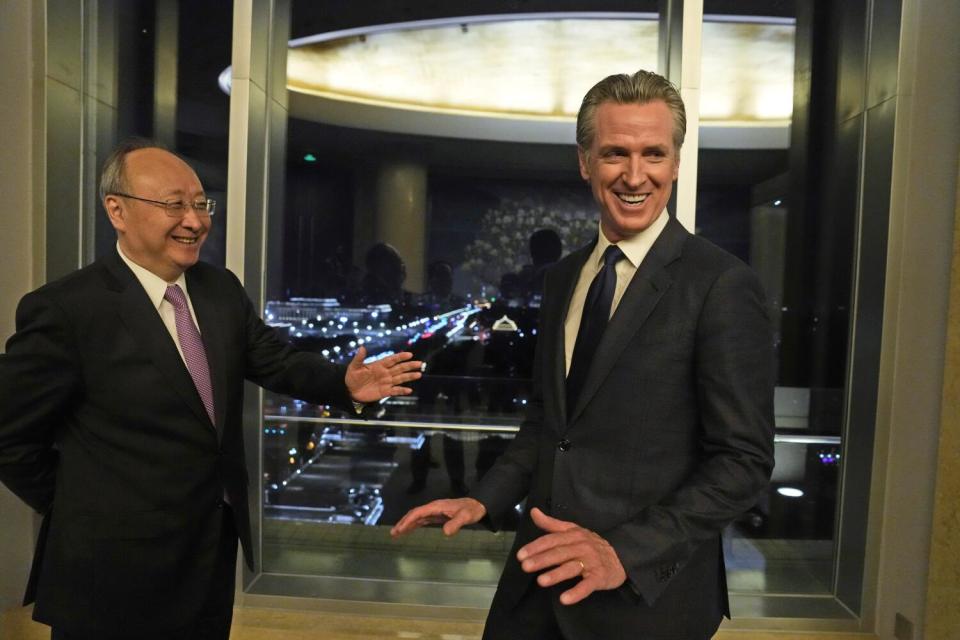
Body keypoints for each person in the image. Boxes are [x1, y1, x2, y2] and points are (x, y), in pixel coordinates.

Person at [392, 70, 775, 640]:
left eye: (654, 154)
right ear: (585, 162)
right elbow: (550, 423)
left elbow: (742, 462)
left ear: (675, 163)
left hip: (644, 597)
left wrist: (622, 552)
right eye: (615, 153)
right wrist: (482, 500)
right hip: (535, 580)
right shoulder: (563, 277)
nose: (635, 175)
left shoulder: (720, 284)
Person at [0, 140, 423, 640]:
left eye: (201, 203)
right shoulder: (68, 310)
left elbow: (276, 359)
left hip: (206, 559)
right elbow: (9, 437)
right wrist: (84, 509)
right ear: (117, 210)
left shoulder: (218, 289)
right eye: (173, 204)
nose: (195, 220)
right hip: (109, 574)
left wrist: (343, 384)